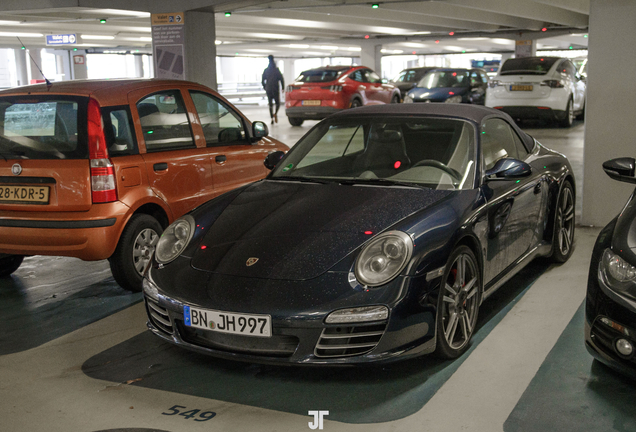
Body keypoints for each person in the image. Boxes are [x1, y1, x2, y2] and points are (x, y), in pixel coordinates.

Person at [261, 55, 285, 124]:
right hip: (275, 89)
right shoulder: (276, 70)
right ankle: (275, 113)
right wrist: (282, 87)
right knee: (277, 103)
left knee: (270, 104)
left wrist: (265, 87)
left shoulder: (266, 70)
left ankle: (271, 118)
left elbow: (262, 80)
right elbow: (281, 79)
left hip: (269, 88)